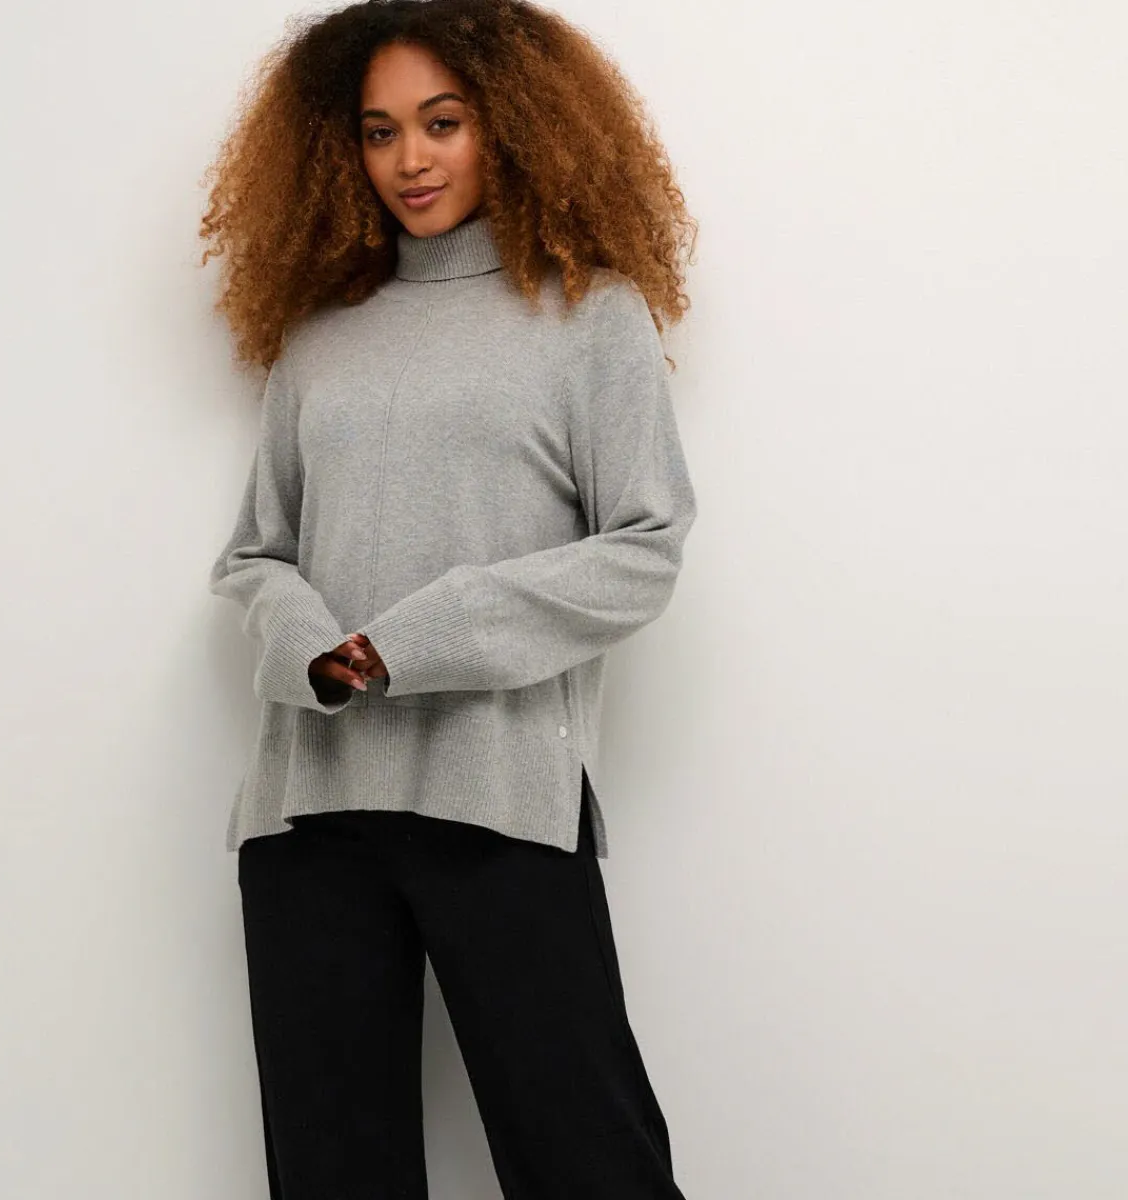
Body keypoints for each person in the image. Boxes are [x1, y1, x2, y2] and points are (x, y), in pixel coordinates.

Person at [200, 1, 699, 1195]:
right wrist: (313, 649)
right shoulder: (319, 335)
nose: (409, 160)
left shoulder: (590, 315)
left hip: (501, 797)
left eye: (443, 122)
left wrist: (414, 640)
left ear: (511, 124)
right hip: (309, 810)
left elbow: (644, 547)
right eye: (379, 132)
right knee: (332, 1172)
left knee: (588, 1161)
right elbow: (256, 554)